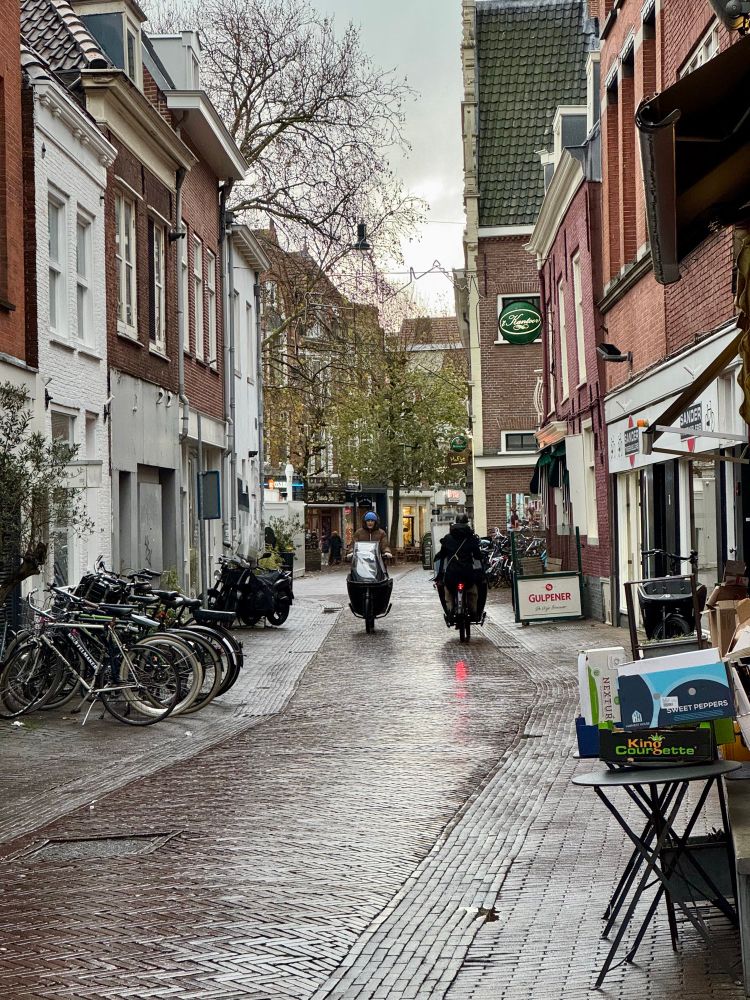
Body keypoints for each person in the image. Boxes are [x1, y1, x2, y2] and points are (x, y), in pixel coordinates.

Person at [435, 513, 483, 614]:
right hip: (467, 575)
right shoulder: (471, 538)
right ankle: (473, 611)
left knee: (447, 590)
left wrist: (439, 573)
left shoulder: (448, 538)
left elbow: (442, 555)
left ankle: (450, 610)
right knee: (473, 590)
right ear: (467, 523)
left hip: (451, 575)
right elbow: (478, 556)